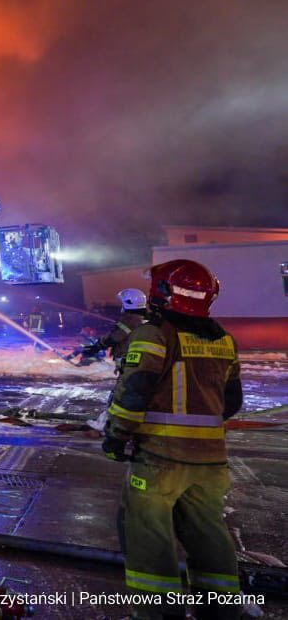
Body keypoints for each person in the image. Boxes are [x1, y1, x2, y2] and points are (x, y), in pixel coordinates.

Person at [103, 260, 243, 616]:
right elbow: (231, 402)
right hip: (211, 463)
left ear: (162, 292)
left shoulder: (154, 334)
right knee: (209, 536)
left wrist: (116, 437)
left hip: (160, 460)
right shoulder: (224, 340)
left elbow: (134, 392)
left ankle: (157, 612)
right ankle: (222, 610)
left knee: (148, 537)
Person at [85, 289, 149, 430]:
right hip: (138, 364)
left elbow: (114, 337)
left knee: (119, 396)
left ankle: (106, 423)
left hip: (128, 364)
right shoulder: (146, 320)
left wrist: (97, 346)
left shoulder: (130, 320)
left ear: (128, 303)